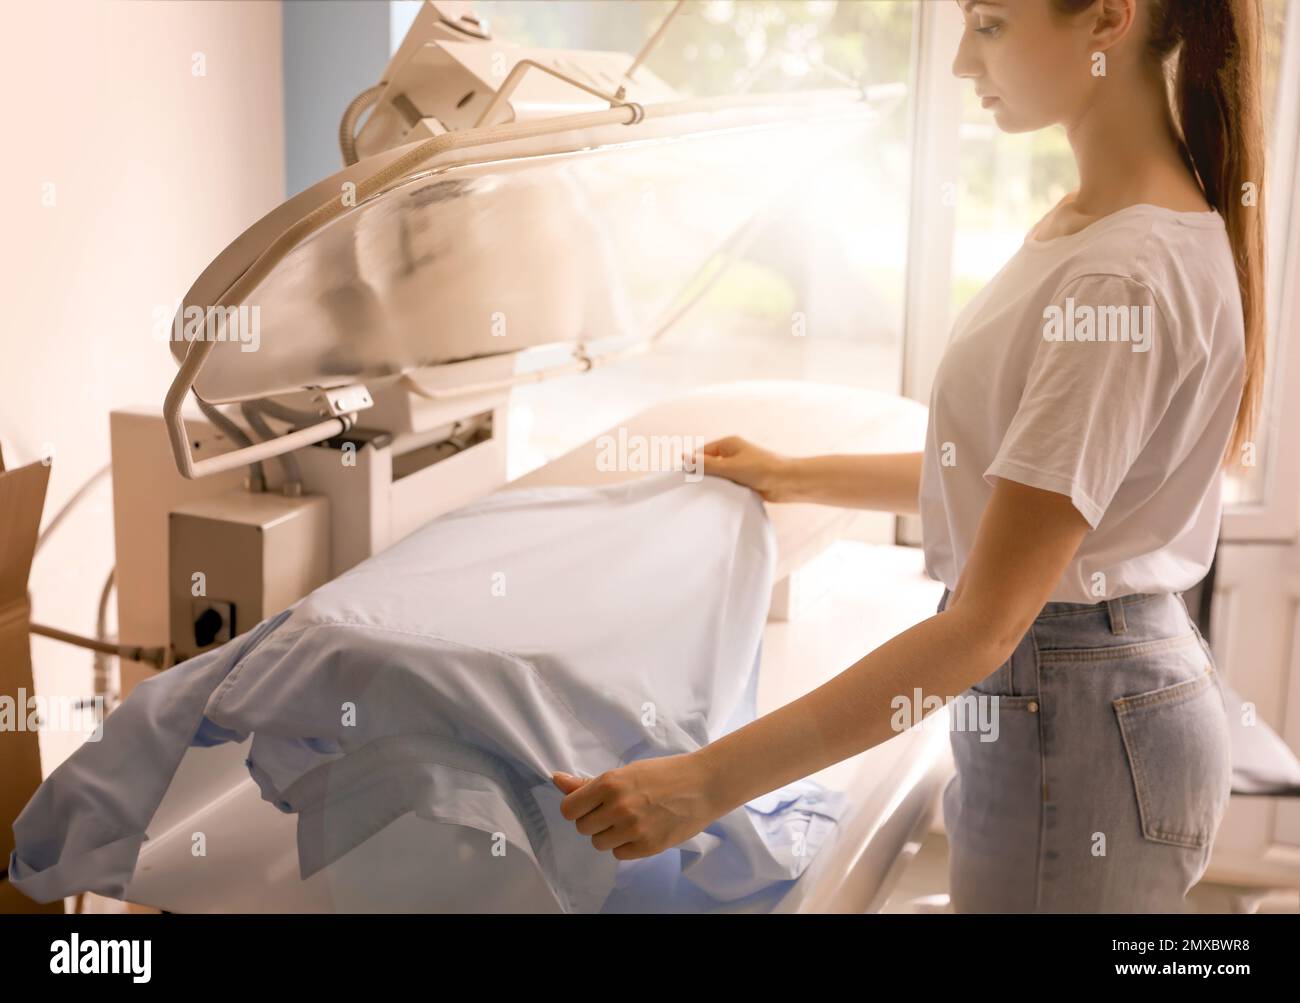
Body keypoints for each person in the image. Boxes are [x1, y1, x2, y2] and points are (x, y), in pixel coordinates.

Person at [552, 0, 1264, 913]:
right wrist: (794, 473)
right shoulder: (1094, 226)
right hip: (1070, 697)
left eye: (991, 24)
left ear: (1107, 21)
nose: (964, 61)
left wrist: (704, 782)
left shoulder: (1120, 275)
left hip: (1077, 712)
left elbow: (987, 623)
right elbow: (1021, 485)